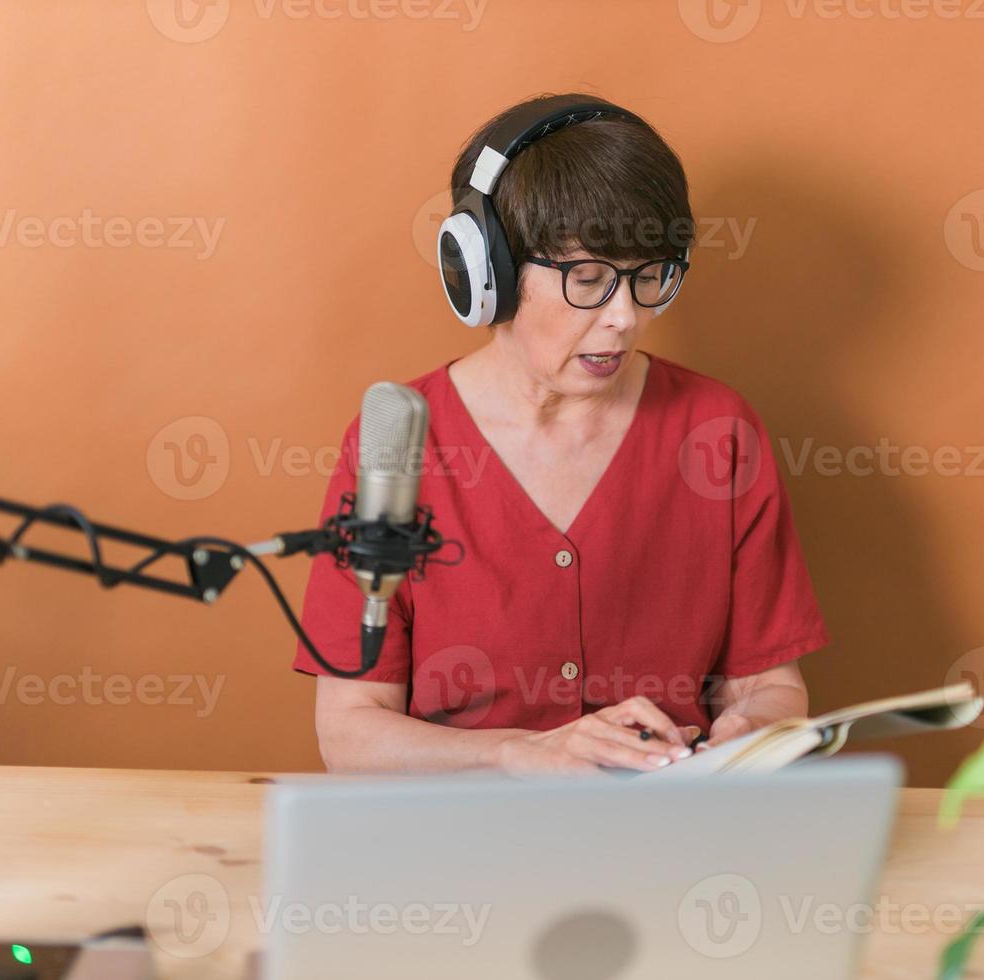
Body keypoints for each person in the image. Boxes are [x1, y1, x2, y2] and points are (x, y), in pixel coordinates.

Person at [293, 93, 828, 775]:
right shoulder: (400, 443)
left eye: (647, 278)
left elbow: (773, 688)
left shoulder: (719, 432)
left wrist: (752, 730)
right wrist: (517, 753)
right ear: (491, 273)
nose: (625, 318)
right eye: (589, 278)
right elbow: (349, 735)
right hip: (461, 856)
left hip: (667, 845)